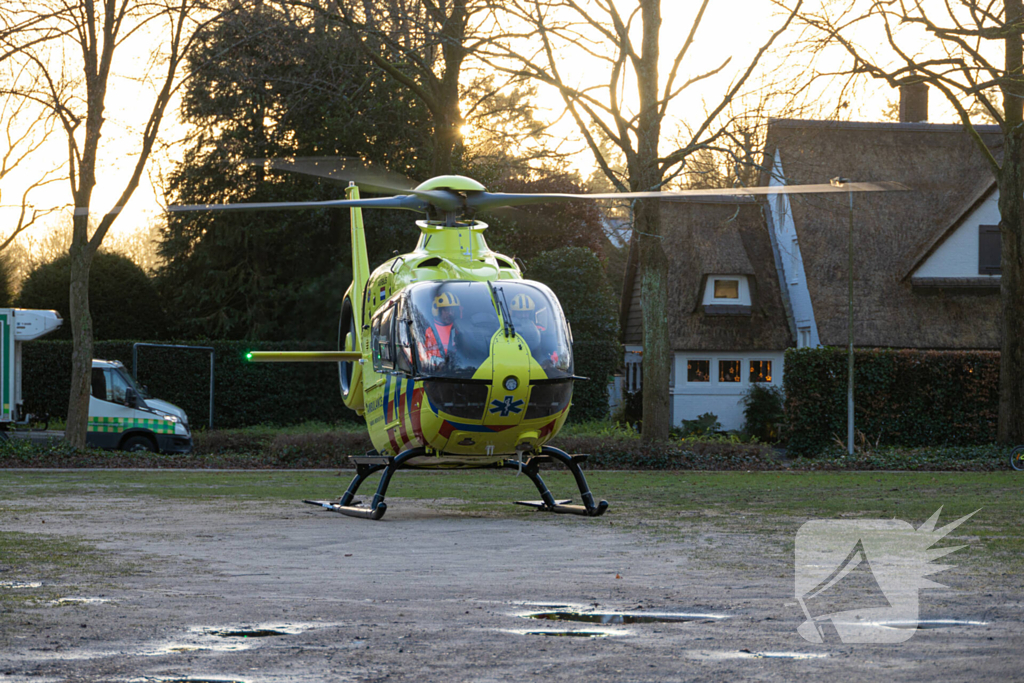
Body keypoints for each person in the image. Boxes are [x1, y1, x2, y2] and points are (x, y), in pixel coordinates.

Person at [509, 293, 560, 367]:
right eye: (520, 313)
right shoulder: (505, 329)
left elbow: (551, 349)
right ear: (513, 313)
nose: (523, 316)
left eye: (526, 312)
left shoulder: (540, 329)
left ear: (531, 313)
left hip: (536, 365)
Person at [419, 291, 461, 368]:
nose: (450, 313)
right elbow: (418, 354)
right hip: (432, 372)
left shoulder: (458, 328)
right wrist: (435, 362)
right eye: (446, 310)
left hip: (456, 370)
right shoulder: (426, 329)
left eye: (452, 310)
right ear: (437, 311)